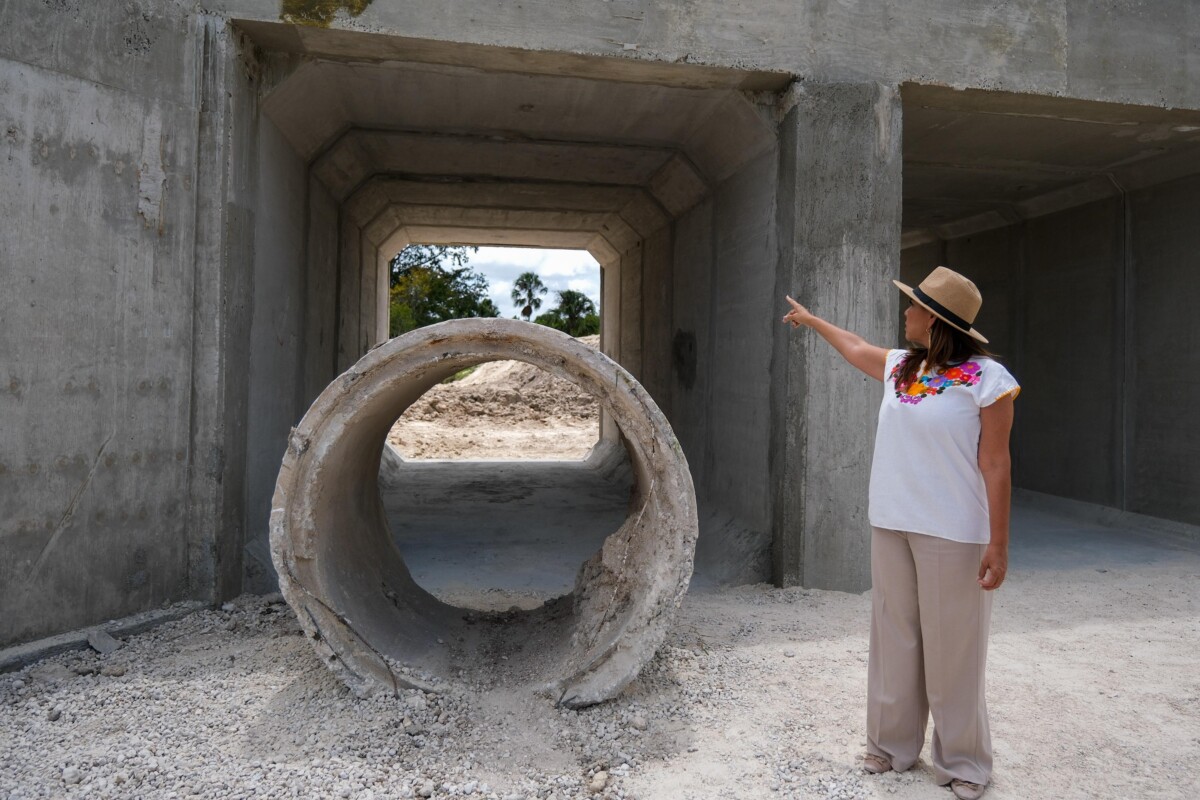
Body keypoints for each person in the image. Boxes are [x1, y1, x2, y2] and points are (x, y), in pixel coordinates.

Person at [781, 266, 1019, 800]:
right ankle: (891, 747)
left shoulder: (988, 381)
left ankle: (964, 763)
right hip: (892, 522)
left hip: (954, 531)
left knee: (953, 648)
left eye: (912, 307)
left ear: (933, 320)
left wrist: (998, 544)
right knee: (894, 638)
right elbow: (856, 345)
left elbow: (997, 465)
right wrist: (814, 320)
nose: (905, 313)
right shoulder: (899, 368)